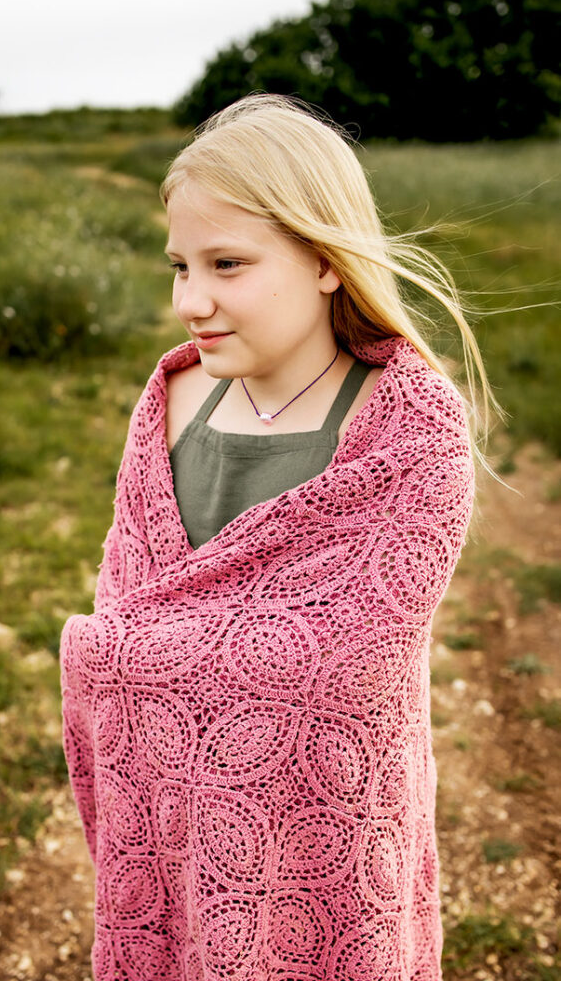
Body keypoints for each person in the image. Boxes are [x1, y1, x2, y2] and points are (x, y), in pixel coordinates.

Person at [60, 94, 498, 981]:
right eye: (179, 265)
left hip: (324, 830)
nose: (192, 300)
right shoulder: (172, 401)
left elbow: (344, 662)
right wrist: (129, 654)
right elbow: (133, 601)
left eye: (229, 263)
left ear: (327, 259)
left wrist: (130, 654)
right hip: (177, 828)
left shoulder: (408, 429)